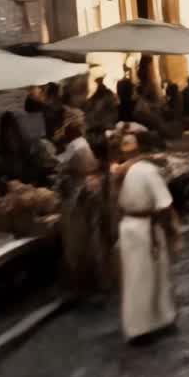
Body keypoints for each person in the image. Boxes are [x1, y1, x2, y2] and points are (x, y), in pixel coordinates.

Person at [113, 135, 178, 343]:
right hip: (145, 229)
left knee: (134, 278)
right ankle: (153, 323)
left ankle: (137, 325)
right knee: (151, 276)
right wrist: (172, 230)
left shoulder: (117, 172)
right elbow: (164, 204)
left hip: (127, 227)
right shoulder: (147, 171)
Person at [57, 114, 112, 295]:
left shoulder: (76, 146)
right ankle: (100, 279)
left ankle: (89, 282)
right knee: (96, 236)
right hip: (91, 190)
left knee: (84, 239)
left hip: (83, 194)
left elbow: (60, 164)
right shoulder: (83, 144)